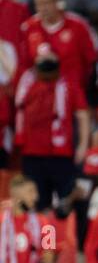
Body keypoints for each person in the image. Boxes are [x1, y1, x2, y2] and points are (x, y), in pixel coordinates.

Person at [12, 45, 90, 210]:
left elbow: (82, 114)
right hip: (33, 153)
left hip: (61, 153)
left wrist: (83, 145)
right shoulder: (26, 83)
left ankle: (60, 237)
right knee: (36, 203)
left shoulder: (69, 83)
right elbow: (18, 108)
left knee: (65, 204)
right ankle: (39, 236)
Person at [0, 174, 55, 263]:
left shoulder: (46, 224)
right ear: (16, 195)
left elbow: (50, 256)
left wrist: (48, 259)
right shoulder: (2, 221)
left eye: (36, 192)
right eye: (30, 192)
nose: (36, 197)